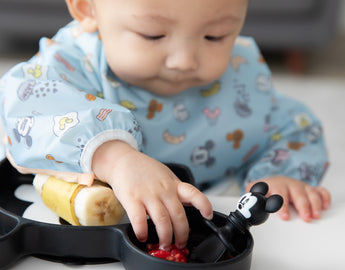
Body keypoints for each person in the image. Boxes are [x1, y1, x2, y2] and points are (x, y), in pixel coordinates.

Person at [0, 0, 331, 250]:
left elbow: (295, 127)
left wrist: (282, 173)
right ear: (88, 8)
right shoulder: (73, 62)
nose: (184, 60)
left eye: (214, 36)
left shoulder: (240, 77)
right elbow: (24, 106)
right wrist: (113, 157)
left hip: (207, 228)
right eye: (153, 34)